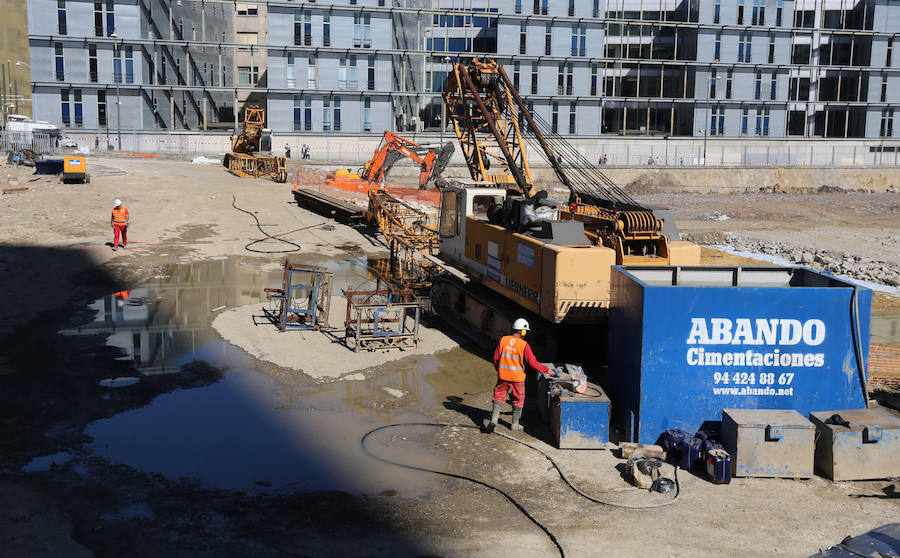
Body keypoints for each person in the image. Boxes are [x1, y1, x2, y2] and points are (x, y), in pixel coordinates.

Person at [486, 318, 556, 432]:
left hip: (503, 377)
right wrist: (547, 370)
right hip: (517, 379)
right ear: (523, 332)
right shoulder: (524, 345)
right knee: (518, 400)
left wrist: (498, 370)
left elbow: (495, 358)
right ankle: (515, 424)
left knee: (498, 397)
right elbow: (533, 364)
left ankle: (493, 420)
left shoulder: (503, 340)